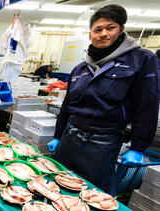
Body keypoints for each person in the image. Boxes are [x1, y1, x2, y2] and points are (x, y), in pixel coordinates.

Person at [47, 4, 160, 195]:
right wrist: (58, 135)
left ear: (121, 29)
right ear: (90, 34)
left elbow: (148, 105)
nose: (103, 34)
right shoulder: (81, 68)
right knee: (57, 184)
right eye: (98, 30)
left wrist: (138, 147)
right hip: (70, 136)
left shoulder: (142, 60)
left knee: (94, 193)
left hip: (103, 141)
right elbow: (67, 106)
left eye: (110, 27)